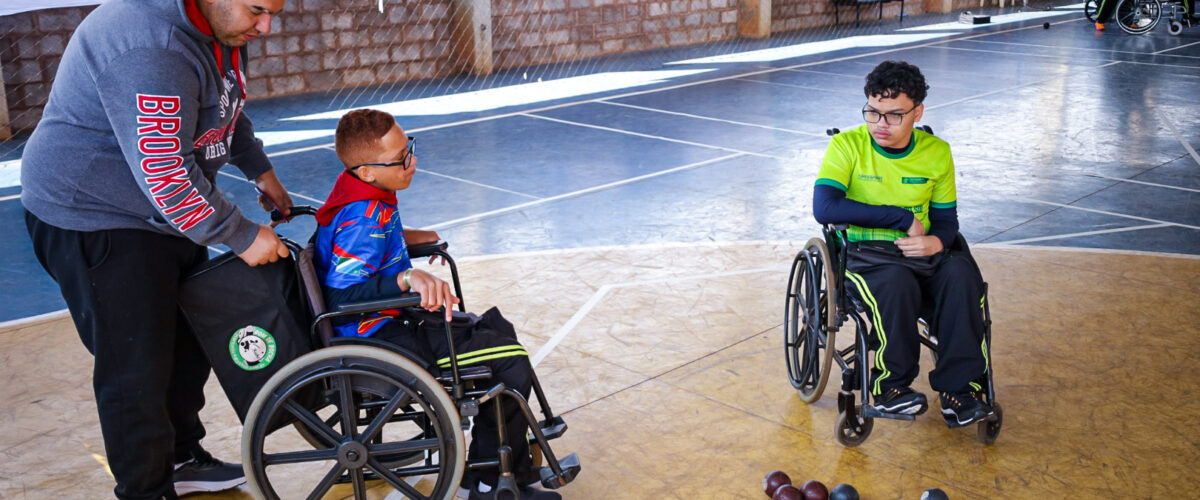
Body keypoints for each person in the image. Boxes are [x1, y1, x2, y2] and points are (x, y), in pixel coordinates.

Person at [20, 0, 293, 498]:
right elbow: (166, 176)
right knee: (136, 368)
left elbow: (224, 107)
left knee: (192, 342)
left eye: (274, 10)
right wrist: (240, 235)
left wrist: (260, 169)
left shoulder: (221, 27)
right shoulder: (152, 46)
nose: (267, 25)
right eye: (257, 9)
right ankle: (146, 489)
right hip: (95, 212)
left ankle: (182, 458)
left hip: (160, 212)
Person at [314, 109, 560, 500]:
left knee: (499, 332)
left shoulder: (365, 195)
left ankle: (508, 465)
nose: (412, 161)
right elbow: (342, 294)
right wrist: (407, 277)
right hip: (377, 336)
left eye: (408, 148)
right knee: (509, 358)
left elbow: (374, 248)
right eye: (401, 158)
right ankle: (486, 482)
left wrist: (411, 237)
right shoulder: (362, 216)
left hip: (393, 320)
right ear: (367, 171)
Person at [812, 61, 994, 428]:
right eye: (873, 112)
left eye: (894, 115)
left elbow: (946, 221)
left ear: (917, 112)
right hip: (866, 255)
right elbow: (825, 207)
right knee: (896, 284)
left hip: (922, 252)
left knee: (961, 276)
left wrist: (936, 242)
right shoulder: (847, 145)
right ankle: (890, 387)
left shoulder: (937, 152)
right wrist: (900, 218)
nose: (880, 124)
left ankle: (959, 391)